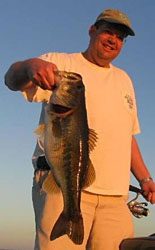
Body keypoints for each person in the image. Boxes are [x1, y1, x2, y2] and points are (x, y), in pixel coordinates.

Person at [5, 8, 155, 250]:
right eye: (108, 32)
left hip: (116, 198)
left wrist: (145, 178)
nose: (113, 40)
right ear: (92, 30)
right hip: (60, 185)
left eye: (120, 37)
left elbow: (126, 136)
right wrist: (30, 66)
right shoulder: (60, 63)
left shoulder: (124, 80)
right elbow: (11, 80)